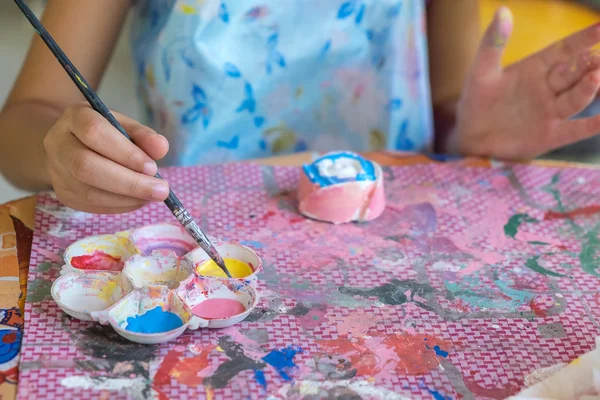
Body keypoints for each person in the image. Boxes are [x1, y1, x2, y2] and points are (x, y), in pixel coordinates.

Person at [1, 1, 599, 214]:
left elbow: (445, 115)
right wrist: (63, 150)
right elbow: (25, 118)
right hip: (205, 241)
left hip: (394, 246)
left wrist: (472, 127)